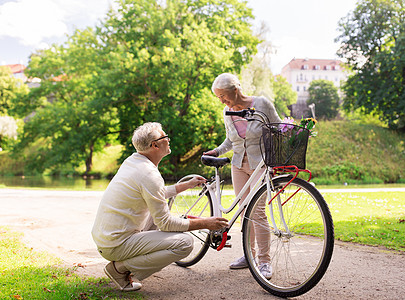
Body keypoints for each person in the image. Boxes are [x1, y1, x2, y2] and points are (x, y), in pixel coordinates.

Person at [92, 122, 228, 291]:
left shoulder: (133, 161)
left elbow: (154, 193)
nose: (168, 139)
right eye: (165, 137)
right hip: (116, 245)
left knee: (158, 210)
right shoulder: (149, 174)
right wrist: (205, 223)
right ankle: (119, 269)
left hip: (107, 238)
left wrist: (185, 185)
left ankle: (124, 265)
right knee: (185, 243)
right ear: (154, 145)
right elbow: (165, 224)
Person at [204, 73, 281, 279]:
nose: (221, 100)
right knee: (245, 211)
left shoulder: (262, 103)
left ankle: (264, 261)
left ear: (235, 90)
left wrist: (281, 156)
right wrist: (217, 151)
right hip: (238, 165)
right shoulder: (226, 111)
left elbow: (279, 128)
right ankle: (249, 255)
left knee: (258, 212)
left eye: (223, 95)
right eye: (218, 97)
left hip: (261, 164)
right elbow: (231, 140)